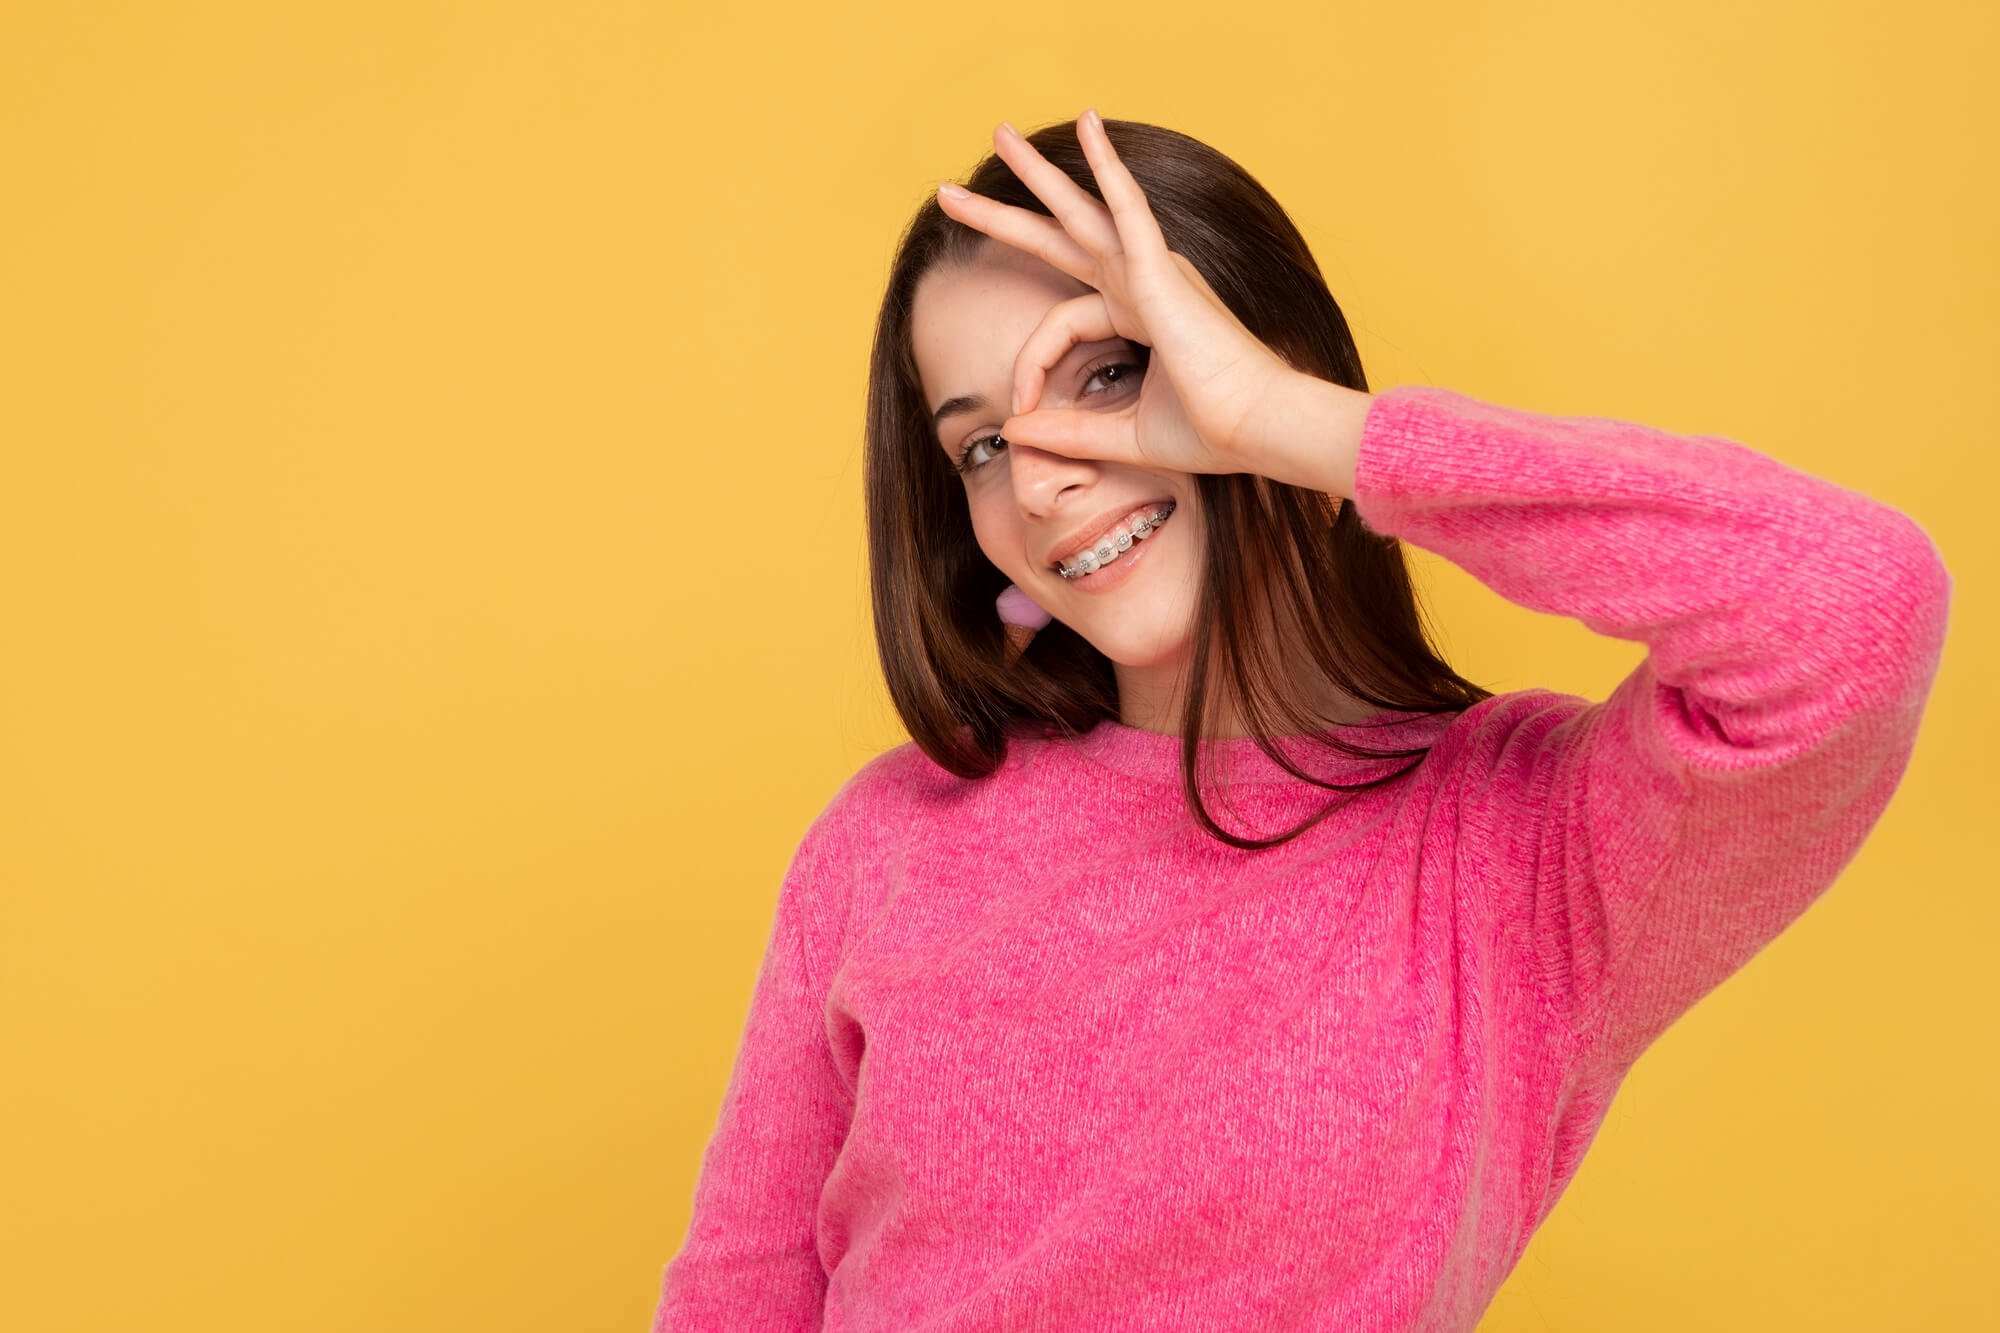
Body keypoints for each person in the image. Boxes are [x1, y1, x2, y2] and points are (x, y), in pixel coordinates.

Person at [652, 111, 1951, 1331]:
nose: (1038, 480)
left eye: (1105, 375)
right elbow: (739, 1290)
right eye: (982, 445)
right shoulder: (887, 838)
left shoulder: (1520, 851)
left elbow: (1856, 600)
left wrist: (1285, 422)